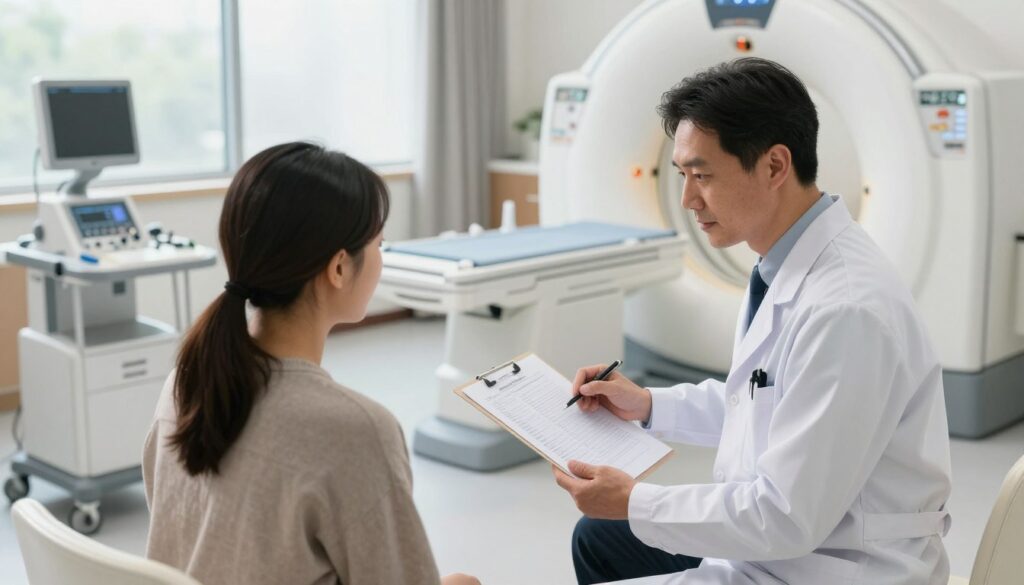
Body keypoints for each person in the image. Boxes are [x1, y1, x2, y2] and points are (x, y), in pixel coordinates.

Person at [553, 58, 952, 585]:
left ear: (774, 166)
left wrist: (636, 500)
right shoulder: (781, 262)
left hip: (833, 568)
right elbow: (765, 402)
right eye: (681, 176)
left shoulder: (847, 309)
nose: (688, 200)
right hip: (784, 547)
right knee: (599, 538)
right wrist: (649, 406)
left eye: (702, 176)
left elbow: (784, 517)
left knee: (621, 524)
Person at [143, 142, 480, 585]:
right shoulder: (355, 430)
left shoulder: (187, 382)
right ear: (339, 268)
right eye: (379, 243)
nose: (382, 256)